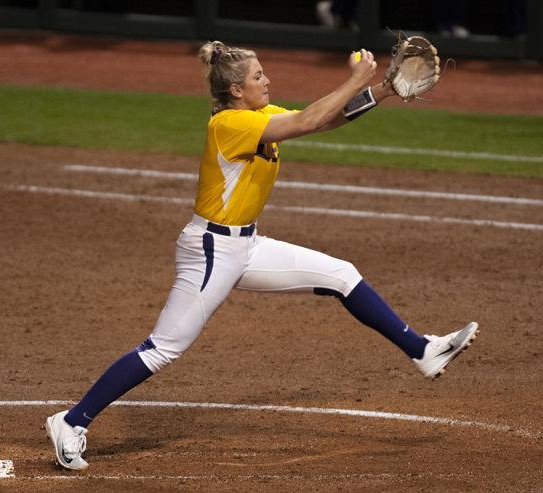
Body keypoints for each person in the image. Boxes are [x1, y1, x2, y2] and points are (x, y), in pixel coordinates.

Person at [45, 41, 479, 470]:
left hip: (245, 246)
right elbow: (309, 118)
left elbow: (324, 120)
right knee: (163, 348)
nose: (267, 81)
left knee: (341, 275)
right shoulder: (229, 124)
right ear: (235, 90)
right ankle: (71, 421)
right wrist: (354, 79)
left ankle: (422, 350)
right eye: (257, 77)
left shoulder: (259, 115)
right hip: (211, 251)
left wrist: (381, 90)